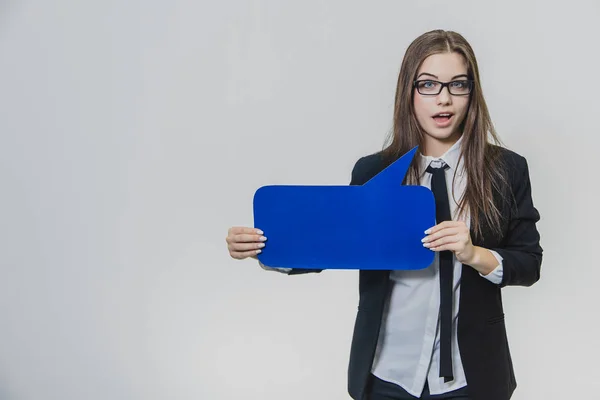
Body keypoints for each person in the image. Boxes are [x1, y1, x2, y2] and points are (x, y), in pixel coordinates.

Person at [225, 29, 542, 400]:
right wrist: (264, 246)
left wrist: (475, 255)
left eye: (458, 85)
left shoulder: (506, 169)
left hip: (471, 375)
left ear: (473, 92)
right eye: (428, 84)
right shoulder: (373, 171)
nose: (443, 99)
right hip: (387, 373)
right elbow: (335, 243)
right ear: (408, 91)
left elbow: (529, 263)